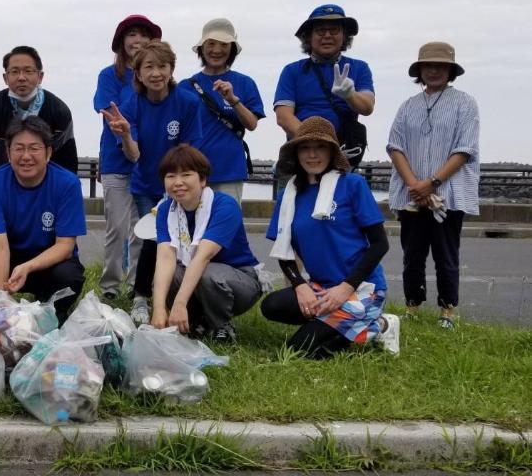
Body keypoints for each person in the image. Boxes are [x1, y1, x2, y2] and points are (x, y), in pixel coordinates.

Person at [262, 117, 399, 358]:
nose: (312, 155)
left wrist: (345, 289)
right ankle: (337, 323)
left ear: (332, 152)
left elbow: (379, 244)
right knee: (271, 306)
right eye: (305, 147)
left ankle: (378, 326)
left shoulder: (353, 184)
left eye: (320, 147)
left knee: (296, 351)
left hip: (361, 287)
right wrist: (301, 286)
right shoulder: (288, 195)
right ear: (296, 153)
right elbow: (284, 253)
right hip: (320, 287)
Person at [101, 40, 202, 325]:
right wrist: (124, 135)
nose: (156, 73)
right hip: (146, 183)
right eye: (149, 67)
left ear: (171, 70)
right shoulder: (132, 103)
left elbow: (189, 152)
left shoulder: (187, 102)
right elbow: (134, 155)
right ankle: (141, 297)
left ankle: (181, 294)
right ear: (138, 73)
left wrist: (178, 184)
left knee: (185, 240)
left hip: (179, 182)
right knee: (153, 239)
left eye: (162, 66)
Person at [387, 42, 480, 329]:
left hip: (448, 194)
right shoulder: (407, 106)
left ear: (451, 70)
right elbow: (395, 146)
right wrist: (415, 185)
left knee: (446, 255)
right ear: (420, 70)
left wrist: (433, 182)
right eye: (429, 65)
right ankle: (412, 305)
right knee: (412, 255)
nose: (435, 70)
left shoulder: (465, 102)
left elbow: (464, 149)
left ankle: (448, 310)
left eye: (441, 65)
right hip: (411, 194)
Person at [0, 117, 86, 322]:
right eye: (18, 148)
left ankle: (51, 311)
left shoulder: (67, 184)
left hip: (47, 262)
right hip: (10, 260)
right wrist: (0, 303)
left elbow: (65, 246)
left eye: (34, 148)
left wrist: (29, 267)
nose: (26, 156)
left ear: (49, 153)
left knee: (69, 276)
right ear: (8, 154)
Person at [150, 145, 262, 342]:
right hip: (198, 274)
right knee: (170, 273)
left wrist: (179, 303)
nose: (178, 183)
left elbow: (203, 257)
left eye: (186, 175)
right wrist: (159, 308)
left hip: (239, 279)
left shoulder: (224, 205)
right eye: (170, 176)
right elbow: (165, 257)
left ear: (202, 180)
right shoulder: (167, 210)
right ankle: (196, 322)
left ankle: (222, 325)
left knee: (208, 273)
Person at [93, 14, 161, 300]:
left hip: (147, 166)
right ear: (121, 42)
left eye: (144, 35)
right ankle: (109, 286)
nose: (138, 40)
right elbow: (109, 113)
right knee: (116, 229)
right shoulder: (110, 76)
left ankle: (137, 286)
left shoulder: (155, 75)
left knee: (141, 230)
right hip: (117, 164)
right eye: (131, 34)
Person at [273, 4, 375, 167]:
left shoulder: (359, 68)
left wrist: (350, 95)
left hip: (343, 154)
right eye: (320, 30)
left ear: (344, 36)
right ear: (309, 37)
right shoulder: (292, 71)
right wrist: (317, 145)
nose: (327, 35)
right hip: (301, 155)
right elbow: (283, 117)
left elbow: (367, 107)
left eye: (334, 30)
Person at [180, 18, 264, 202]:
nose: (217, 50)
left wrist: (233, 100)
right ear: (202, 48)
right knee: (192, 227)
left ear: (232, 49)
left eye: (224, 44)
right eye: (211, 44)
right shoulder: (185, 87)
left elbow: (251, 124)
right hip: (192, 170)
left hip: (229, 170)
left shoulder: (245, 83)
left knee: (226, 224)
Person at [0, 45, 77, 188]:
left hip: (47, 192)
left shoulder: (58, 111)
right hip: (3, 190)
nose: (21, 78)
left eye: (28, 71)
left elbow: (67, 164)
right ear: (5, 77)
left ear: (40, 76)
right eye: (14, 72)